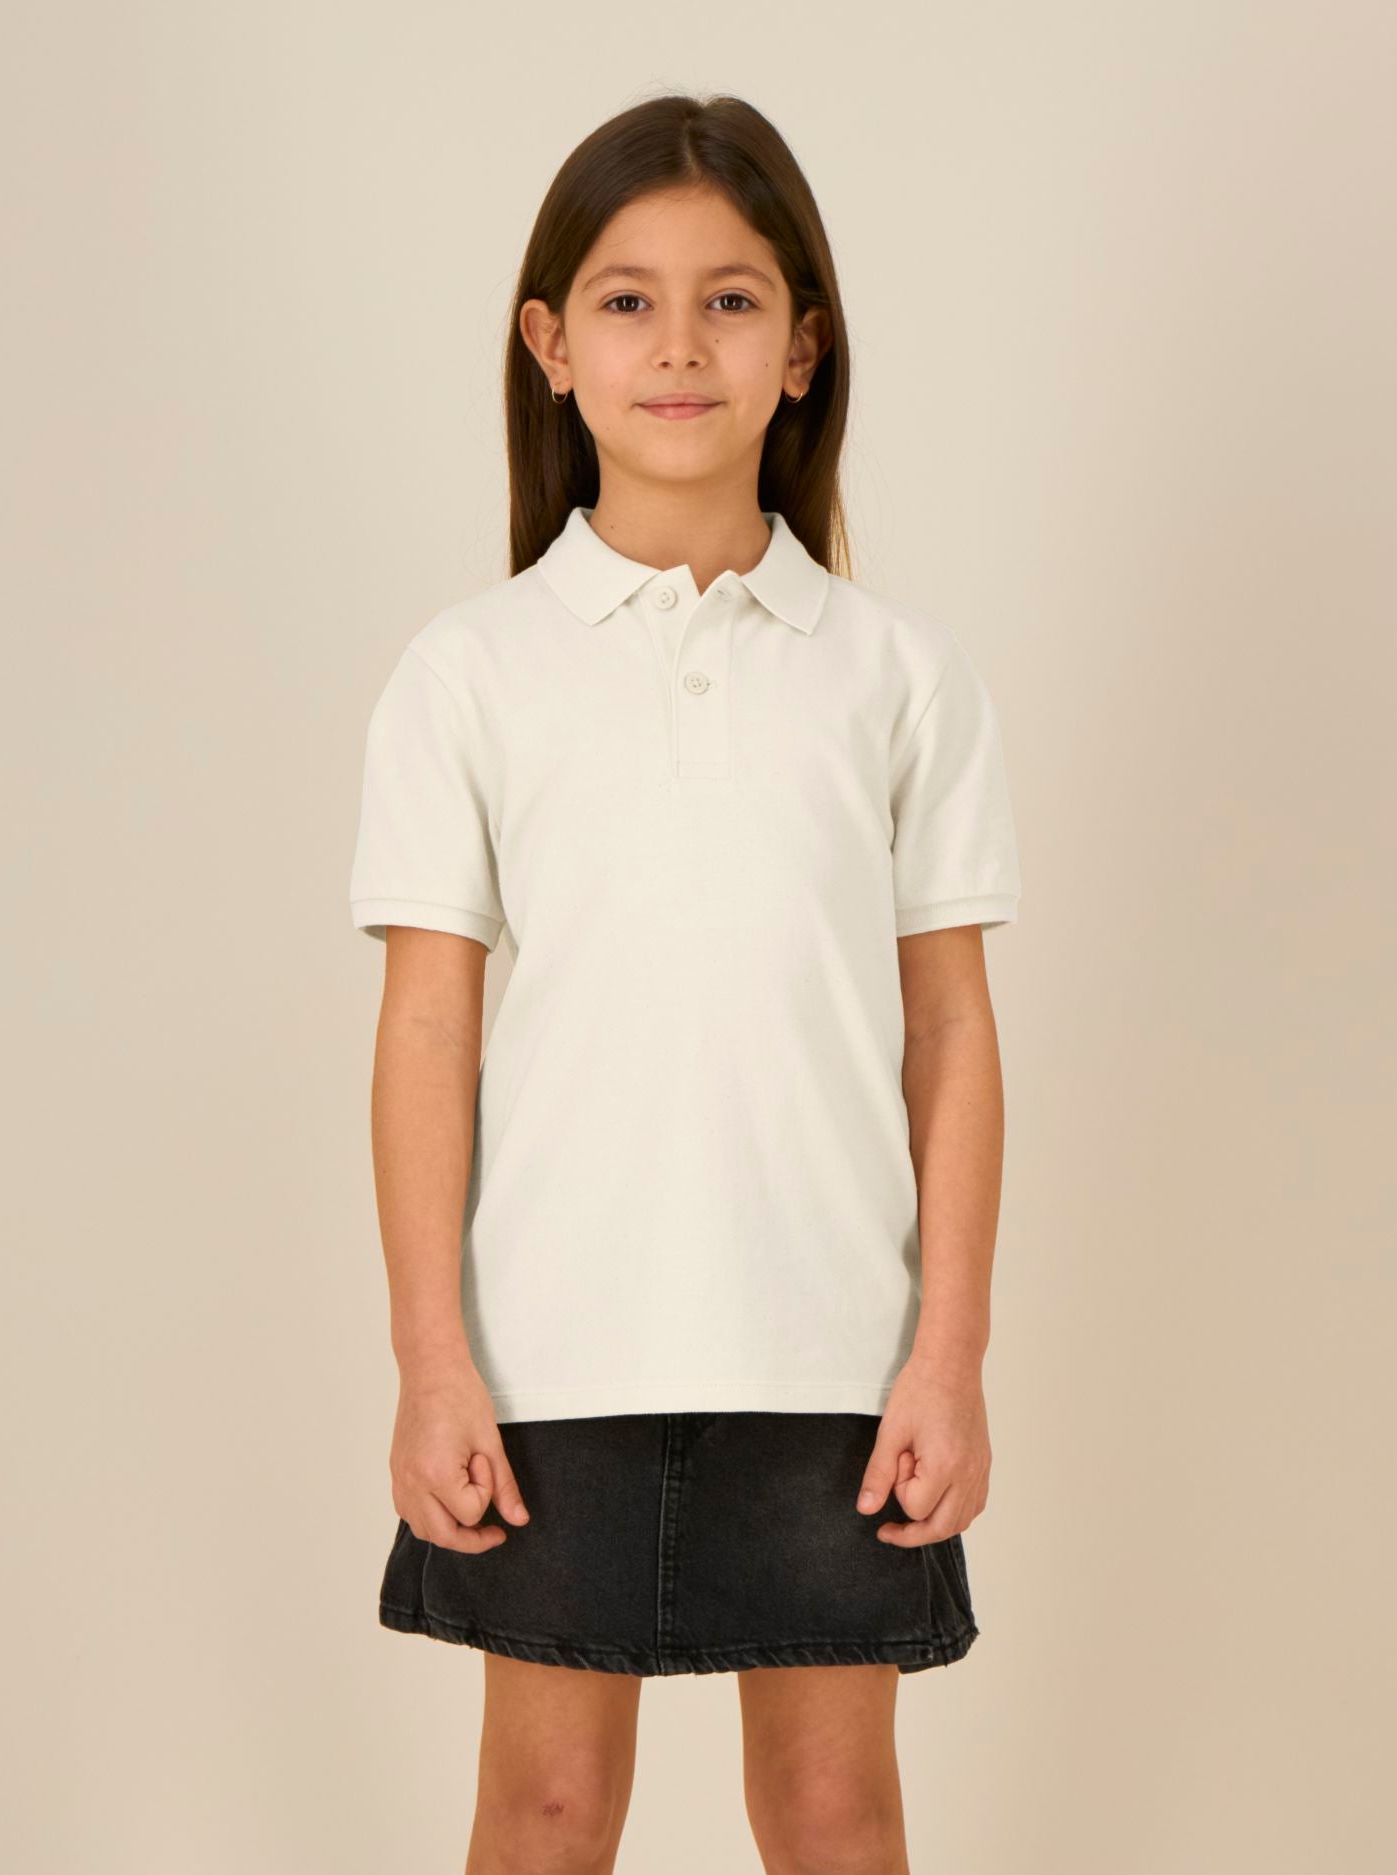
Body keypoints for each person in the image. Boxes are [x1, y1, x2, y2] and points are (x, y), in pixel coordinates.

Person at [348, 91, 1022, 1875]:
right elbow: (428, 1030)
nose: (677, 345)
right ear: (550, 344)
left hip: (834, 1357)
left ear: (802, 348)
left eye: (729, 300)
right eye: (627, 300)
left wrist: (947, 1353)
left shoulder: (897, 676)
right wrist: (434, 1360)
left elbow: (950, 1031)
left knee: (835, 1812)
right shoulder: (469, 673)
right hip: (549, 1352)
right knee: (546, 1811)